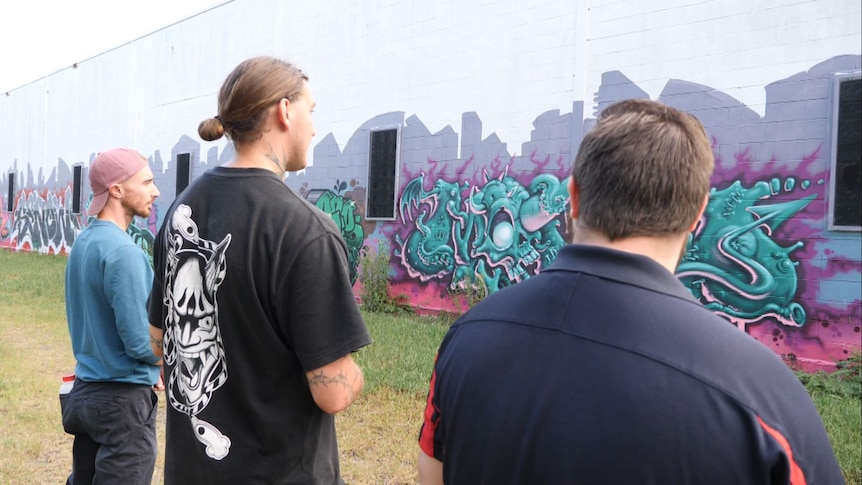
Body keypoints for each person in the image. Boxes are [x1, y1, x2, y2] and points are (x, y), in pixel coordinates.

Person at [417, 99, 844, 484]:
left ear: (574, 198)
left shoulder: (469, 337)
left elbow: (431, 473)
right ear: (698, 213)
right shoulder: (759, 394)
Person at [147, 56, 372, 484]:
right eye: (312, 110)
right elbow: (335, 392)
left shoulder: (182, 210)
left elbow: (157, 340)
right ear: (284, 111)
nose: (313, 127)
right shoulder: (306, 231)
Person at [62, 148, 163, 485]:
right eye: (146, 182)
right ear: (117, 189)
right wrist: (165, 359)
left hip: (87, 395)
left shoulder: (84, 243)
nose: (155, 190)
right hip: (121, 406)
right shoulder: (123, 251)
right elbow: (140, 342)